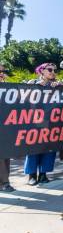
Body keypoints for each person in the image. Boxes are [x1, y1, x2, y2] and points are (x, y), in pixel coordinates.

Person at [24, 63, 61, 185]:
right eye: (49, 69)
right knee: (33, 149)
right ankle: (31, 175)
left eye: (54, 70)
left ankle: (43, 174)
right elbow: (22, 98)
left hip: (51, 122)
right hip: (34, 122)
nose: (52, 72)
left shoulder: (56, 85)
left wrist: (61, 88)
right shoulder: (32, 82)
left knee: (49, 149)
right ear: (41, 71)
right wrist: (35, 87)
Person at [0, 64, 15, 192]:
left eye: (3, 71)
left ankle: (4, 182)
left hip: (4, 129)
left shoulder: (7, 89)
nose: (2, 73)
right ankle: (4, 183)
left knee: (5, 156)